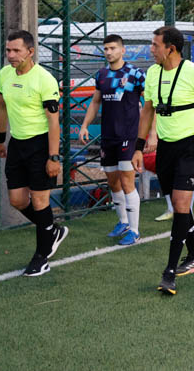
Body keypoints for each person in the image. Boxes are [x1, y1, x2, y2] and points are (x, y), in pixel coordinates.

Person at [131, 26, 194, 296]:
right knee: (179, 205)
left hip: (192, 145)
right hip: (167, 147)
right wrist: (139, 147)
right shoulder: (152, 73)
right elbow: (147, 110)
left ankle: (169, 272)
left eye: (155, 44)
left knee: (181, 204)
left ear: (171, 48)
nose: (151, 49)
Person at [0, 30, 68, 276]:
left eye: (16, 51)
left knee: (40, 202)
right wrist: (0, 139)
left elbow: (54, 122)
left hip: (41, 145)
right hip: (17, 143)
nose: (11, 55)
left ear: (30, 51)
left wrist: (54, 156)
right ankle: (52, 230)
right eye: (8, 50)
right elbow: (1, 106)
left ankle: (41, 257)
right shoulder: (4, 74)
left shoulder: (44, 79)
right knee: (17, 200)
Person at [79, 34, 146, 245]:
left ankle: (134, 231)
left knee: (127, 181)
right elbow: (95, 102)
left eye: (113, 48)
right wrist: (84, 125)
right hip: (108, 137)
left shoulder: (135, 74)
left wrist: (150, 132)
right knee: (112, 181)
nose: (109, 52)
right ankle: (123, 222)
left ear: (122, 50)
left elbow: (149, 103)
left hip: (128, 136)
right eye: (106, 48)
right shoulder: (101, 75)